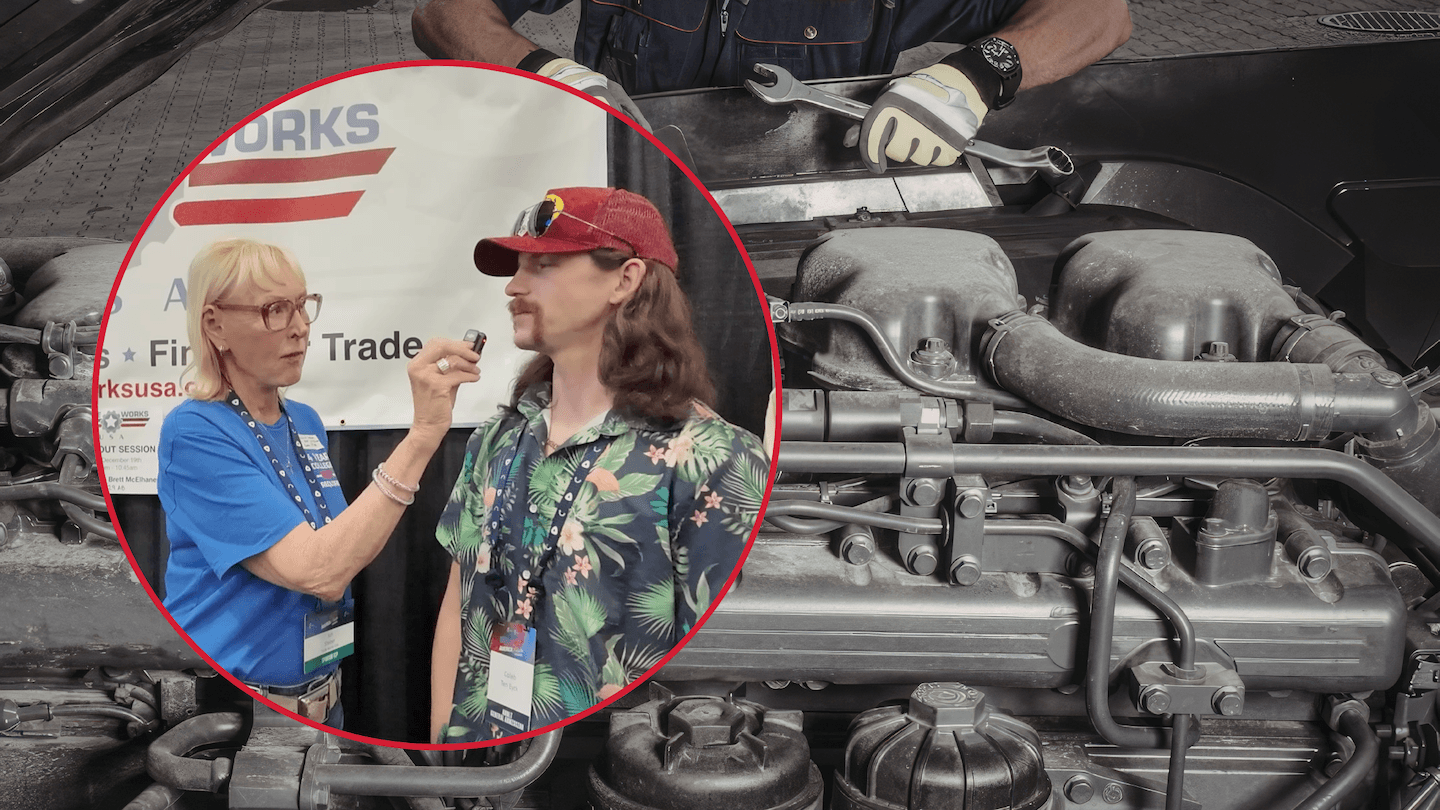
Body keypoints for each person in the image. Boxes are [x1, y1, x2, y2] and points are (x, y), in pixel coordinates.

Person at [430, 187, 769, 743]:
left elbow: (716, 670)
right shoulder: (496, 440)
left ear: (625, 280)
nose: (514, 286)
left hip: (609, 772)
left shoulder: (715, 457)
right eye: (518, 268)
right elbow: (457, 602)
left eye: (543, 266)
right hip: (479, 763)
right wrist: (441, 747)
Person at [158, 238, 480, 726]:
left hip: (323, 701)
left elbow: (338, 551)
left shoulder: (304, 421)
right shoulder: (195, 432)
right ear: (215, 325)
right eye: (274, 310)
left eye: (302, 305)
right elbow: (319, 571)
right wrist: (423, 436)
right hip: (233, 718)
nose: (301, 328)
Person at [410, 0, 1131, 172]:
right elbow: (442, 12)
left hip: (815, 200)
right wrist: (546, 72)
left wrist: (973, 75)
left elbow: (1100, 12)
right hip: (635, 178)